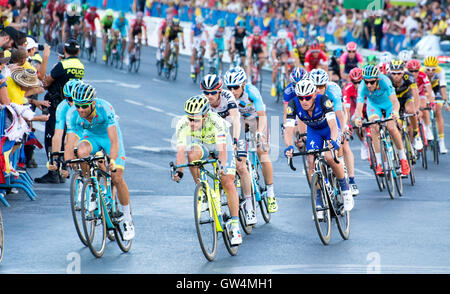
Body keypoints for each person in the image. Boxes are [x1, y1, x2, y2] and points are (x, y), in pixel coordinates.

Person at [64, 82, 135, 241]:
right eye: (78, 106)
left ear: (93, 103)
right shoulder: (72, 114)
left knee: (117, 177)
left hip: (109, 138)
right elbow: (70, 141)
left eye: (84, 106)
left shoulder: (105, 108)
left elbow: (114, 141)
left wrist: (113, 160)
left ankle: (127, 220)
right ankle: (90, 187)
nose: (81, 110)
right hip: (91, 137)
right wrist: (67, 161)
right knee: (81, 152)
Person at [172, 94, 242, 246]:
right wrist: (179, 171)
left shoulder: (217, 122)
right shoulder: (183, 124)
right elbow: (180, 151)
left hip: (221, 146)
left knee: (227, 181)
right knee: (192, 154)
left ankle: (235, 226)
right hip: (203, 144)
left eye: (195, 120)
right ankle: (202, 191)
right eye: (189, 118)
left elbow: (223, 150)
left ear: (205, 116)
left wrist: (222, 167)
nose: (191, 123)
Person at [283, 79, 354, 216]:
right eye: (301, 98)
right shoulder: (293, 105)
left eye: (308, 97)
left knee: (329, 157)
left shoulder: (324, 100)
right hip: (314, 131)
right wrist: (289, 146)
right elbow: (288, 129)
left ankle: (345, 190)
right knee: (311, 161)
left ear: (314, 95)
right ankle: (319, 198)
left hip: (329, 129)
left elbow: (333, 125)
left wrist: (333, 140)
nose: (304, 101)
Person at [200, 74, 255, 225]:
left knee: (241, 166)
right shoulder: (202, 101)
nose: (209, 96)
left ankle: (249, 206)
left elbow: (236, 120)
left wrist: (236, 141)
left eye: (212, 92)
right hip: (216, 134)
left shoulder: (228, 97)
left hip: (233, 130)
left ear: (219, 90)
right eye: (206, 92)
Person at [224, 66, 278, 213]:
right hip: (239, 120)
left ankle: (271, 193)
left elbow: (262, 115)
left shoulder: (252, 92)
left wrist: (260, 133)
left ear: (242, 85)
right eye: (229, 88)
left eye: (235, 87)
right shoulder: (227, 96)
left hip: (255, 119)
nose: (232, 91)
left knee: (262, 151)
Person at [35, 38, 84, 184]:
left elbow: (46, 82)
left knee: (52, 137)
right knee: (66, 137)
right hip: (73, 105)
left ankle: (53, 171)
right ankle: (63, 170)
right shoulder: (81, 66)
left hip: (57, 105)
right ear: (78, 51)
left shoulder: (62, 65)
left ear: (64, 51)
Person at [309, 68, 359, 196]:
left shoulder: (333, 91)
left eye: (320, 87)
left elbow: (340, 115)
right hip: (320, 120)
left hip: (337, 116)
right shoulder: (309, 94)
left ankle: (350, 178)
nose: (318, 90)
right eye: (315, 87)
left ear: (325, 85)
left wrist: (342, 131)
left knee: (343, 144)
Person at [353, 64, 410, 176]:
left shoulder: (385, 81)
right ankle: (379, 163)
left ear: (377, 79)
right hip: (374, 106)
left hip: (388, 105)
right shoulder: (362, 87)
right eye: (366, 82)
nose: (369, 85)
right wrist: (358, 119)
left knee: (392, 127)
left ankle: (403, 159)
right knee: (374, 127)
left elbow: (394, 101)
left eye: (372, 82)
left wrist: (396, 112)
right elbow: (359, 107)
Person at [421, 56, 448, 154]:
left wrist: (445, 101)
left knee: (438, 110)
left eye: (433, 69)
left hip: (436, 89)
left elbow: (443, 87)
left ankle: (441, 142)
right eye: (428, 69)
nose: (430, 71)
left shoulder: (440, 71)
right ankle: (426, 127)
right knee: (425, 107)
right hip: (425, 89)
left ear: (436, 67)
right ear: (425, 68)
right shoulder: (422, 72)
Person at [406, 59, 435, 141]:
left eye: (416, 71)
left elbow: (429, 89)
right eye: (411, 71)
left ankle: (427, 127)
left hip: (420, 94)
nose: (414, 73)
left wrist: (431, 100)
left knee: (424, 106)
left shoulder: (423, 75)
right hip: (409, 96)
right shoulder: (406, 76)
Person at [270, 29, 294, 97]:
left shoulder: (288, 41)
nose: (282, 40)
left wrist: (292, 59)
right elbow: (273, 52)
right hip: (275, 53)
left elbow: (291, 51)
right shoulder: (276, 41)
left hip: (283, 54)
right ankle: (273, 86)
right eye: (281, 39)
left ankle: (286, 77)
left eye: (284, 39)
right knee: (275, 68)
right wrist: (275, 60)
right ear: (279, 38)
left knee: (285, 60)